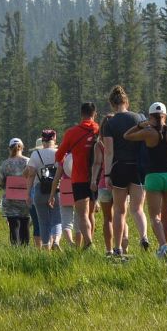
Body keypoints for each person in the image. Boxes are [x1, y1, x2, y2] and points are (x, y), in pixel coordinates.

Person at [125, 102, 167, 260]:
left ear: (150, 117)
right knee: (166, 215)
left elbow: (126, 136)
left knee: (155, 216)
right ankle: (165, 246)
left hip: (153, 176)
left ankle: (163, 246)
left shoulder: (148, 132)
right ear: (165, 116)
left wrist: (141, 125)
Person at [100, 85, 146, 257]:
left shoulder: (110, 123)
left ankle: (118, 247)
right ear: (126, 101)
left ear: (112, 104)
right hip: (137, 167)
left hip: (119, 166)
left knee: (119, 210)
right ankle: (143, 237)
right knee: (138, 208)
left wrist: (107, 175)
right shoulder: (139, 118)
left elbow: (109, 151)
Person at [52, 102, 100, 249]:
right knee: (91, 213)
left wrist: (64, 165)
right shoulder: (100, 130)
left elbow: (59, 155)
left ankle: (88, 243)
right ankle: (89, 242)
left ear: (81, 114)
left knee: (82, 214)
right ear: (94, 114)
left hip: (78, 178)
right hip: (97, 177)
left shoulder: (72, 133)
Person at [26, 130, 61, 249]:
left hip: (39, 190)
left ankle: (46, 247)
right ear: (54, 139)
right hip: (56, 190)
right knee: (56, 218)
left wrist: (27, 194)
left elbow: (30, 174)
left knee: (43, 221)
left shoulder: (36, 155)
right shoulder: (59, 153)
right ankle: (56, 240)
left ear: (42, 140)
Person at [0, 138, 32, 246]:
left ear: (9, 148)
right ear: (22, 148)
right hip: (25, 197)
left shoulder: (5, 164)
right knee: (25, 223)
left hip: (10, 198)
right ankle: (25, 248)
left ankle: (15, 249)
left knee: (13, 226)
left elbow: (0, 181)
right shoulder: (28, 161)